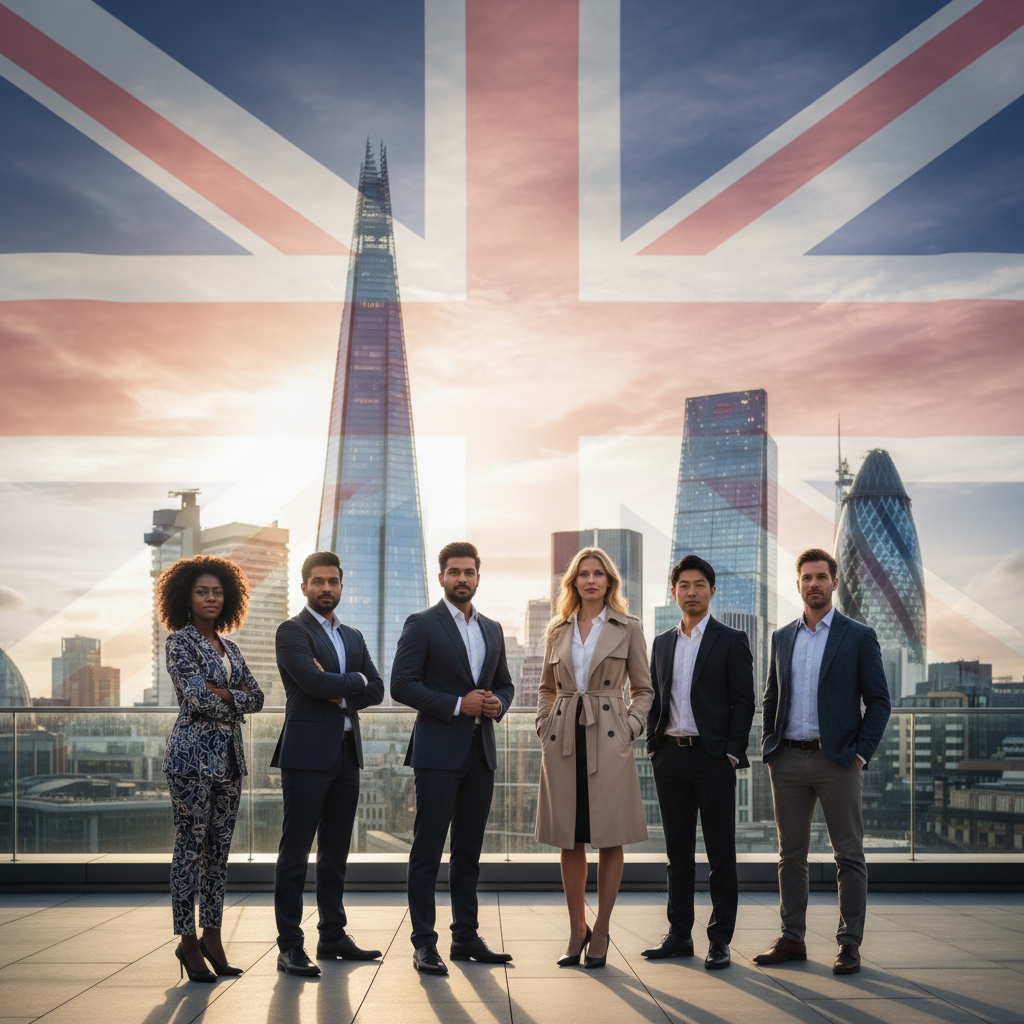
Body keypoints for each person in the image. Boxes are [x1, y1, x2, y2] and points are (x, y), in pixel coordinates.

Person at [754, 548, 891, 975]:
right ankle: (792, 938)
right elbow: (771, 697)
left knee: (848, 855)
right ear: (797, 584)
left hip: (839, 762)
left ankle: (849, 944)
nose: (813, 583)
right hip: (787, 760)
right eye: (806, 577)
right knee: (790, 855)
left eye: (820, 576)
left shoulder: (858, 636)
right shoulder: (782, 637)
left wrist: (860, 754)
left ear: (834, 582)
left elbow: (880, 702)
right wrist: (770, 745)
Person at [391, 542, 515, 975]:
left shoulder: (492, 628)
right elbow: (401, 685)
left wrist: (499, 703)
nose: (462, 578)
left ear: (478, 577)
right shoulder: (422, 624)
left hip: (481, 753)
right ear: (441, 576)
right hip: (437, 754)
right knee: (427, 851)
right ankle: (424, 943)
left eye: (469, 572)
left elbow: (505, 684)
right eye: (454, 572)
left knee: (469, 853)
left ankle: (465, 936)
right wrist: (459, 704)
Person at [535, 547, 654, 969]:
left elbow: (644, 689)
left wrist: (630, 728)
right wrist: (544, 724)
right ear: (573, 582)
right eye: (583, 574)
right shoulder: (557, 628)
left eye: (598, 573)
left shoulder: (629, 627)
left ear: (609, 581)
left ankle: (601, 928)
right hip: (564, 736)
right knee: (570, 838)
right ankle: (576, 929)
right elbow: (547, 687)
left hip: (609, 737)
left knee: (609, 835)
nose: (590, 580)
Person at [272, 551, 385, 976]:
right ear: (304, 587)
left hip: (347, 753)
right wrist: (350, 682)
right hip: (305, 755)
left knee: (335, 853)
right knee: (295, 854)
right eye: (317, 581)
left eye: (332, 581)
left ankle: (332, 935)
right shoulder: (292, 631)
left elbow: (377, 689)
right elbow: (313, 683)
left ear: (341, 586)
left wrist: (341, 687)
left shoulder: (352, 636)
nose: (326, 588)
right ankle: (289, 945)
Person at [641, 555, 754, 969]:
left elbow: (744, 701)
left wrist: (731, 752)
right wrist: (654, 747)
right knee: (678, 854)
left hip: (713, 759)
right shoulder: (662, 642)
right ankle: (679, 934)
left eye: (700, 585)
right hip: (670, 757)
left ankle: (720, 939)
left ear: (712, 591)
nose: (692, 592)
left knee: (721, 854)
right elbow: (654, 697)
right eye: (684, 585)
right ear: (674, 592)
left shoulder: (731, 639)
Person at [159, 555, 265, 982]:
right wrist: (231, 695)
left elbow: (257, 697)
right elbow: (196, 699)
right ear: (186, 597)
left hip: (229, 762)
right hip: (190, 760)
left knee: (217, 855)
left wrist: (222, 693)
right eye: (202, 591)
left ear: (229, 598)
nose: (210, 598)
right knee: (189, 852)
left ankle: (213, 937)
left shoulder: (231, 648)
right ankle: (187, 943)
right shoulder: (178, 643)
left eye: (217, 592)